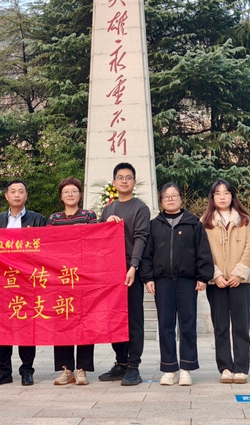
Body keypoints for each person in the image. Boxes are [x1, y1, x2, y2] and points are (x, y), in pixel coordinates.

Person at [140, 183, 213, 386]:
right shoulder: (154, 225)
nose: (170, 199)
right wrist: (148, 278)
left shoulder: (193, 224)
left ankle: (186, 369)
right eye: (166, 196)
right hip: (162, 282)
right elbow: (147, 255)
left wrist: (202, 276)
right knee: (165, 325)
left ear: (181, 199)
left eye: (174, 196)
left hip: (186, 281)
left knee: (188, 324)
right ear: (161, 201)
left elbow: (203, 251)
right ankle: (169, 368)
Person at [0, 180, 47, 387]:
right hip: (3, 281)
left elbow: (45, 249)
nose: (16, 195)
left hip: (27, 280)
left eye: (21, 191)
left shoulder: (38, 219)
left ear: (26, 195)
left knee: (27, 325)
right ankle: (3, 371)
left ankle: (27, 370)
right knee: (3, 325)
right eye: (12, 191)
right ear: (6, 196)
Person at [97, 162, 150, 386]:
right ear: (114, 182)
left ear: (134, 182)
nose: (124, 181)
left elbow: (141, 238)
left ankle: (133, 365)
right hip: (110, 271)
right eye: (120, 177)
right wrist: (105, 224)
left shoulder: (140, 208)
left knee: (133, 319)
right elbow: (98, 238)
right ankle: (121, 362)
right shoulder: (108, 209)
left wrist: (134, 266)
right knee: (114, 318)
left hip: (130, 270)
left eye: (128, 177)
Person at [201, 179, 250, 385]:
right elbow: (203, 251)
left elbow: (249, 248)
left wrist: (239, 273)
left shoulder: (244, 220)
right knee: (221, 327)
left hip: (240, 282)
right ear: (212, 198)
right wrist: (214, 274)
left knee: (241, 326)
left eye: (226, 193)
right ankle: (225, 367)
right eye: (217, 193)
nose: (222, 197)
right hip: (216, 283)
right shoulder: (204, 223)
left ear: (232, 196)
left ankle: (241, 368)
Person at [47, 177, 98, 386]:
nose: (70, 194)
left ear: (80, 195)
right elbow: (48, 245)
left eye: (74, 191)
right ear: (61, 196)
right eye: (66, 191)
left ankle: (82, 369)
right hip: (60, 278)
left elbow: (95, 241)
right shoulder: (54, 218)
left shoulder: (88, 215)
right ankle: (66, 369)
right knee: (62, 320)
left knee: (85, 321)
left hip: (83, 277)